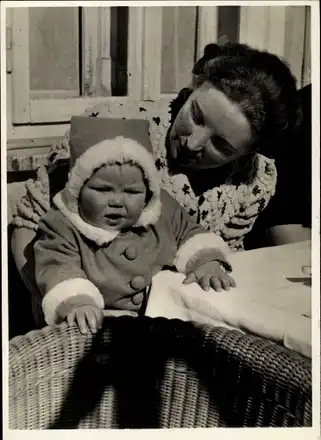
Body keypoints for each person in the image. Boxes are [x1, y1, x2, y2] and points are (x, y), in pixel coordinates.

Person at [11, 41, 303, 329]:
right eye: (196, 116)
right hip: (83, 319)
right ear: (194, 86)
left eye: (221, 145)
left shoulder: (253, 181)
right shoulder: (113, 126)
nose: (193, 142)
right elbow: (28, 224)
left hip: (176, 327)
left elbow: (223, 256)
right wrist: (60, 305)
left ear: (249, 152)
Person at [34, 135, 235, 334]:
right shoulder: (62, 224)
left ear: (147, 192)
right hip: (100, 321)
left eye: (131, 192)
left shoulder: (162, 211)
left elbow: (188, 232)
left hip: (160, 315)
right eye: (103, 189)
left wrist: (204, 259)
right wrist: (77, 300)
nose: (117, 201)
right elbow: (57, 265)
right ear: (78, 191)